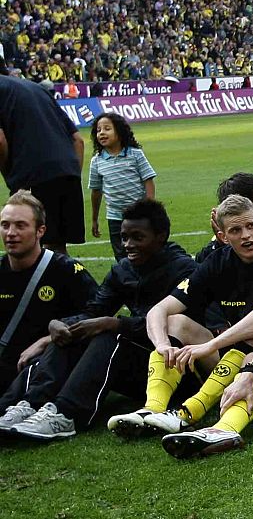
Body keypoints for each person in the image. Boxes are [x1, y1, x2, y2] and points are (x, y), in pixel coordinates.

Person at [113, 195, 253, 447]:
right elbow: (160, 310)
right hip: (238, 361)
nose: (246, 236)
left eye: (250, 226)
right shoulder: (218, 262)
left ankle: (195, 417)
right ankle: (152, 409)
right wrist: (161, 345)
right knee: (176, 322)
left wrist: (212, 345)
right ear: (223, 237)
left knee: (251, 344)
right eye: (236, 230)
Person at [0, 200, 192, 440]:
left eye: (137, 238)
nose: (128, 245)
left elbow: (184, 326)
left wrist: (117, 323)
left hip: (175, 368)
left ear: (160, 236)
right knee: (74, 332)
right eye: (124, 238)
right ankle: (32, 403)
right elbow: (94, 310)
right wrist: (58, 325)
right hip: (139, 366)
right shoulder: (123, 270)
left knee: (109, 335)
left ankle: (66, 413)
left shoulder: (183, 270)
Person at [0, 191, 95, 394]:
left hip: (41, 367)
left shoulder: (67, 271)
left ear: (40, 230)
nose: (10, 233)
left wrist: (47, 340)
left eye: (20, 225)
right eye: (5, 225)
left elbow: (96, 316)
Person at [0, 75, 85, 251]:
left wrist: (8, 173)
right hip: (69, 172)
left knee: (30, 247)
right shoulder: (37, 88)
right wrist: (74, 175)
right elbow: (78, 140)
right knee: (57, 247)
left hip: (33, 176)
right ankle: (68, 278)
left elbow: (0, 142)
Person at [87, 113, 156, 261]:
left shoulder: (135, 155)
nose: (102, 133)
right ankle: (128, 283)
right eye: (98, 130)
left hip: (139, 216)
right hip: (115, 218)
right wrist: (94, 219)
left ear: (119, 131)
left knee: (143, 253)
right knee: (122, 257)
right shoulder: (96, 161)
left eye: (107, 128)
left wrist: (150, 208)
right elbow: (96, 192)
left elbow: (148, 180)